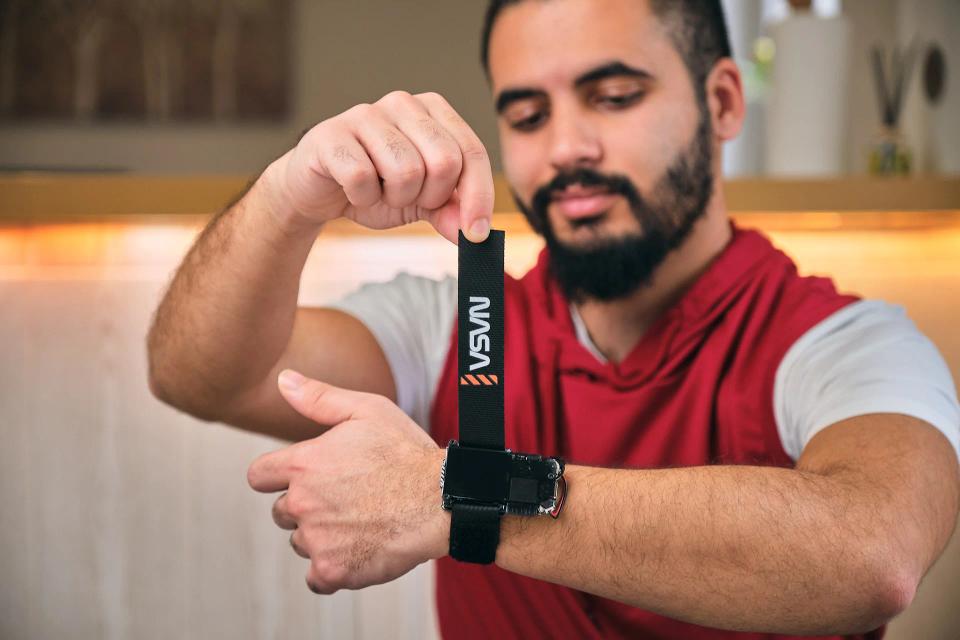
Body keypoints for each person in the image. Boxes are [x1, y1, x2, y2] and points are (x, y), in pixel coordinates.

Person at [146, 0, 960, 637]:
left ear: (720, 101)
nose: (566, 147)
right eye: (527, 115)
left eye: (612, 96)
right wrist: (288, 195)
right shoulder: (459, 321)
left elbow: (873, 553)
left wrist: (458, 499)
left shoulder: (844, 343)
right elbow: (204, 375)